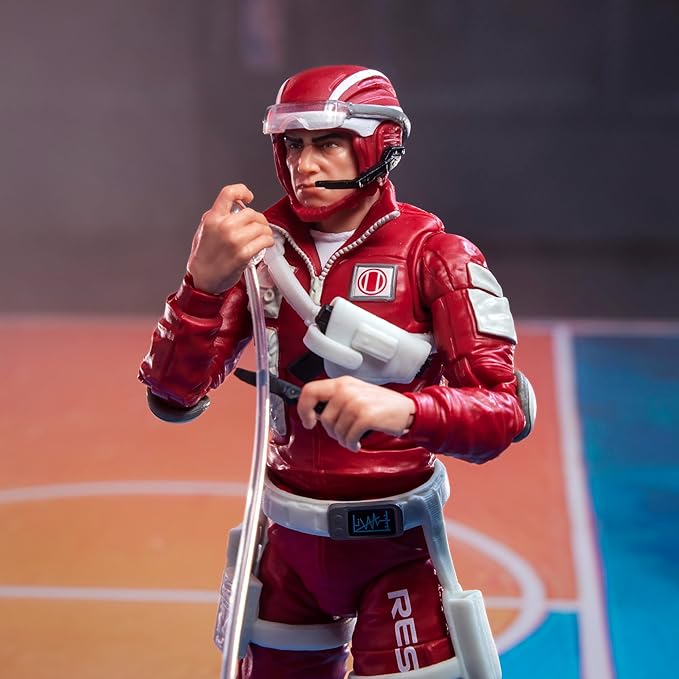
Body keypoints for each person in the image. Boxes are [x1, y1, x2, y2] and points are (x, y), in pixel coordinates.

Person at [139, 65, 532, 679]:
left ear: (378, 146)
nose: (305, 164)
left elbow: (504, 411)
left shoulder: (437, 256)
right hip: (287, 547)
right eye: (293, 145)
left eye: (327, 143)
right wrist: (202, 286)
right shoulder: (259, 250)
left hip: (394, 546)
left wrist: (406, 410)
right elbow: (173, 393)